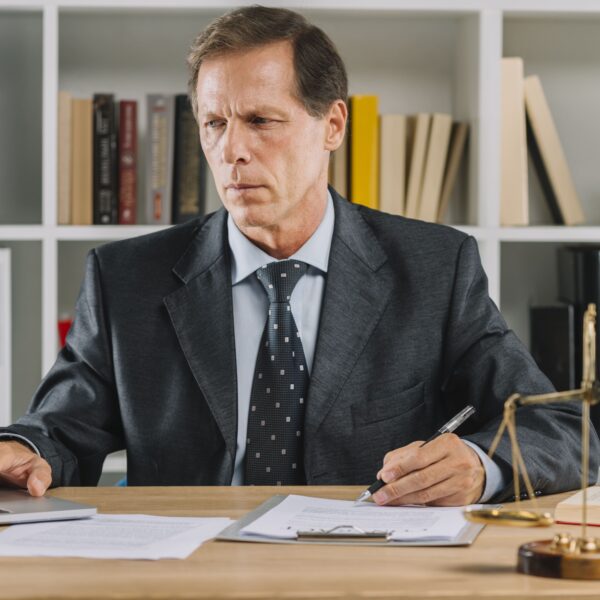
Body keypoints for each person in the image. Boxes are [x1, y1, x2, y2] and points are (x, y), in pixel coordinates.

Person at [0, 6, 596, 505]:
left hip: (366, 571)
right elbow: (58, 427)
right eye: (213, 123)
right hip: (186, 571)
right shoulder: (124, 278)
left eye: (261, 120)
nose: (232, 149)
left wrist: (476, 464)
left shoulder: (437, 269)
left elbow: (566, 430)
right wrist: (25, 451)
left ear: (333, 123)